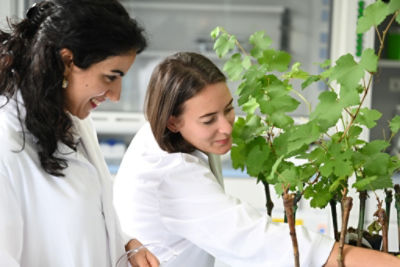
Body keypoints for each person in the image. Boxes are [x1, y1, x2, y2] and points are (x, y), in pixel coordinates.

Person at [113, 52, 400, 267]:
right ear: (173, 122)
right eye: (208, 119)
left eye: (228, 109)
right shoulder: (169, 171)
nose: (226, 127)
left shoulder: (164, 133)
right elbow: (257, 238)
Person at [0, 0, 159, 266]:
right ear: (67, 61)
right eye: (110, 76)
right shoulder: (7, 144)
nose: (116, 95)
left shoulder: (74, 121)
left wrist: (123, 242)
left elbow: (74, 223)